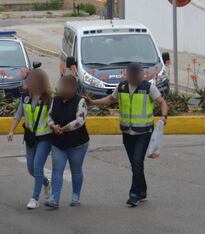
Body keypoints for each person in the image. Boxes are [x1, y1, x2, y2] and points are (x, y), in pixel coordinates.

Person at [85, 63, 168, 207]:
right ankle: (142, 191)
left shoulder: (148, 88)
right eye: (132, 73)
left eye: (137, 73)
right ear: (127, 74)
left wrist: (164, 116)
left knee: (137, 162)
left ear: (141, 74)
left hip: (143, 132)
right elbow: (111, 99)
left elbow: (162, 102)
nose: (134, 76)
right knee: (135, 164)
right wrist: (93, 102)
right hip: (127, 132)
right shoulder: (122, 87)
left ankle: (134, 194)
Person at [8, 68, 53, 209]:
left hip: (45, 138)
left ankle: (34, 199)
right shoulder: (25, 98)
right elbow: (18, 115)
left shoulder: (48, 100)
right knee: (31, 169)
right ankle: (46, 183)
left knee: (37, 167)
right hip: (30, 137)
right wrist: (11, 131)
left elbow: (54, 117)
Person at [46, 74, 89, 209]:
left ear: (73, 88)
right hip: (58, 142)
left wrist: (63, 129)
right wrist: (53, 126)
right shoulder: (56, 100)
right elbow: (48, 116)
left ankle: (76, 196)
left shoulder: (80, 101)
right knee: (57, 170)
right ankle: (54, 198)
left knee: (76, 170)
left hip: (77, 143)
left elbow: (79, 121)